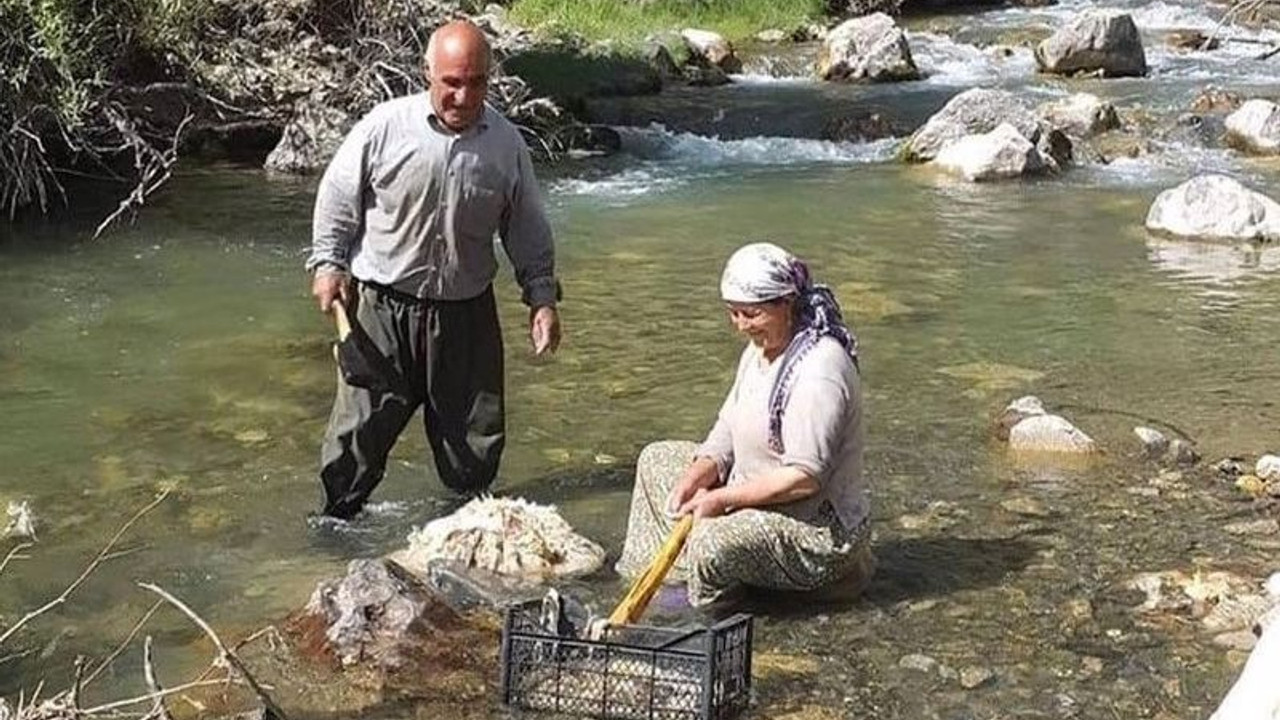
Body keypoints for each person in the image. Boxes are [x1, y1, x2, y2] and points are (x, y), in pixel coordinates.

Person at [306, 20, 562, 520]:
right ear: (428, 73)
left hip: (466, 315)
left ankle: (465, 538)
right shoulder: (384, 127)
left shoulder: (506, 144)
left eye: (477, 82)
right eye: (452, 82)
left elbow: (527, 225)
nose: (464, 96)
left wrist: (542, 297)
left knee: (474, 448)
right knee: (356, 438)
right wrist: (329, 263)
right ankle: (333, 537)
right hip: (382, 309)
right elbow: (338, 197)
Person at [616, 242, 873, 607]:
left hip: (813, 528)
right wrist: (702, 471)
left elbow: (804, 477)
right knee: (656, 460)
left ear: (785, 304)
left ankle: (699, 614)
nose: (740, 326)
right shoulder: (759, 350)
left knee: (711, 541)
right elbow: (727, 426)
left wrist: (722, 500)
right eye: (733, 313)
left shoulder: (820, 371)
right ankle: (653, 587)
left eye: (750, 314)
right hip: (752, 491)